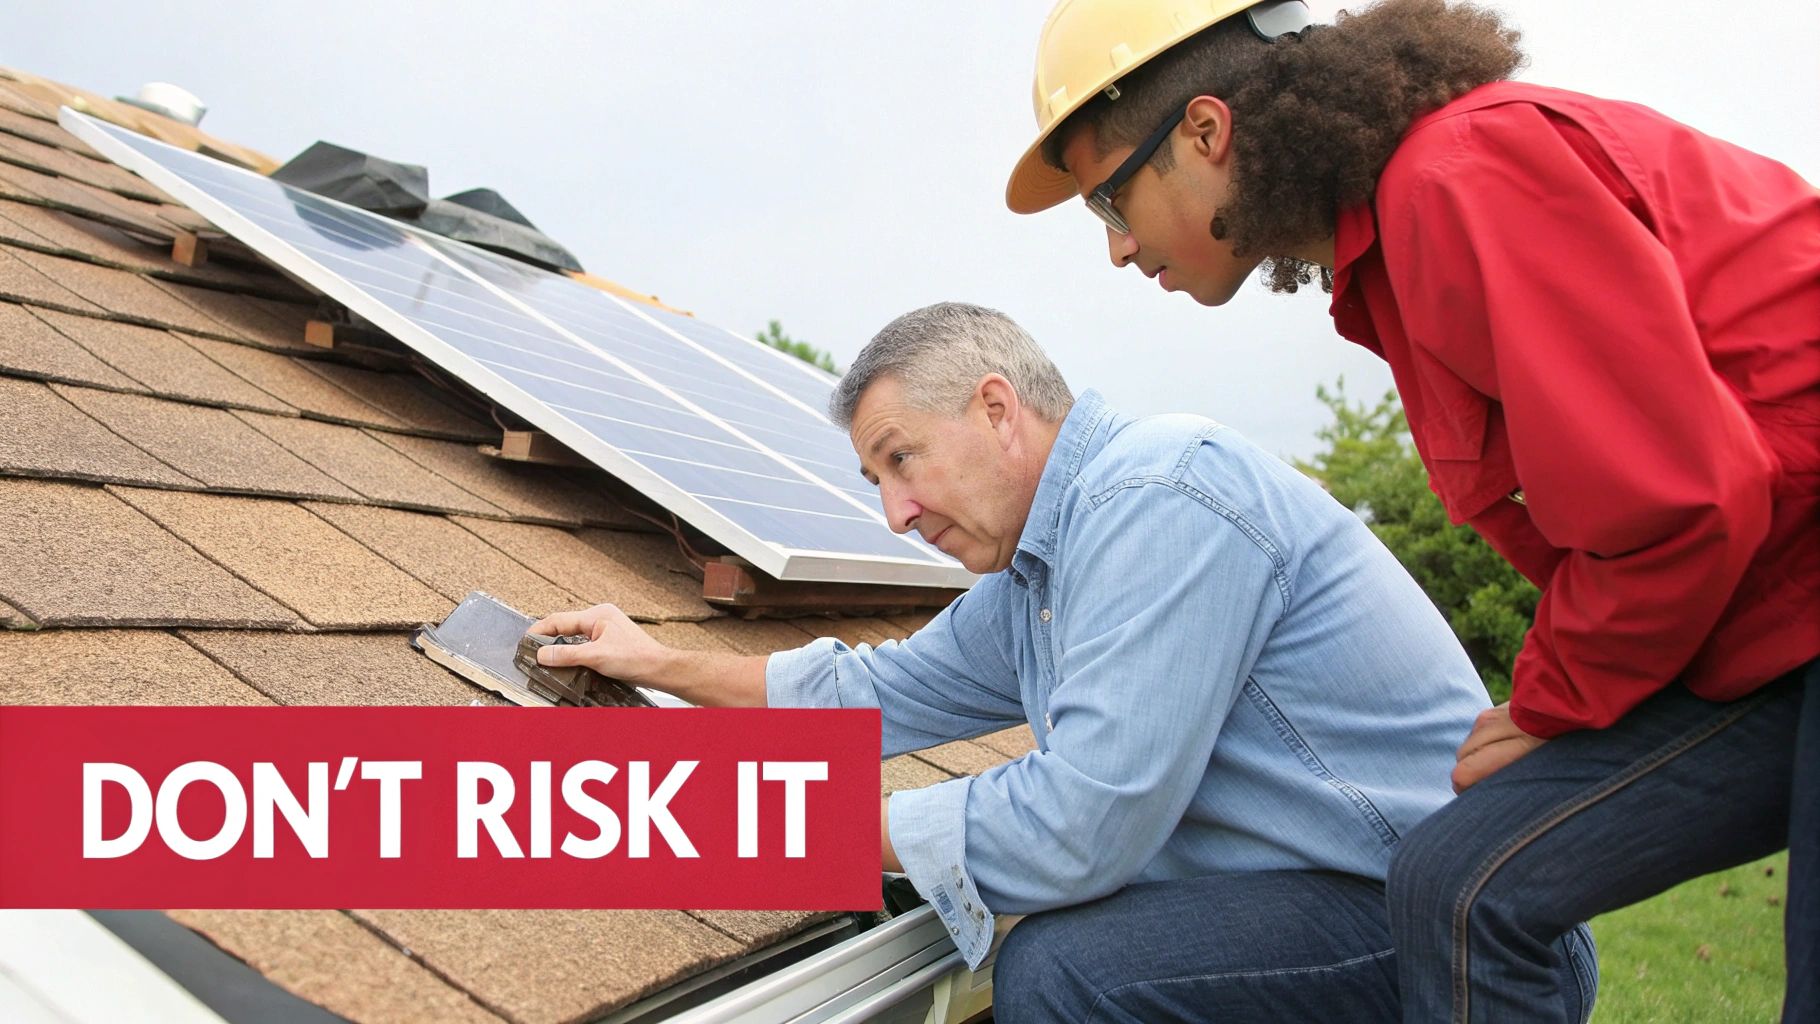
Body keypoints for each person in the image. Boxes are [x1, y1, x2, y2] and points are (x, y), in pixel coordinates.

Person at [1002, 0, 1820, 1020]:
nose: (1116, 250)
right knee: (1461, 882)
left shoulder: (1457, 180)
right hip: (1767, 616)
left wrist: (1553, 702)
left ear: (1206, 133)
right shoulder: (1397, 244)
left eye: (1108, 201)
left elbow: (1681, 498)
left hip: (1785, 600)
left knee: (1465, 888)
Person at [529, 302, 1589, 1022]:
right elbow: (872, 692)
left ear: (996, 410)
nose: (895, 513)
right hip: (1347, 906)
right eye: (875, 481)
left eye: (901, 460)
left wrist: (772, 824)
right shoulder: (1039, 571)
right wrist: (656, 662)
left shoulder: (1158, 498)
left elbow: (1081, 822)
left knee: (1070, 970)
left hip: (1458, 930)